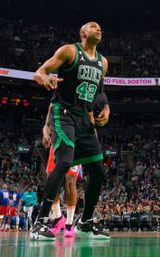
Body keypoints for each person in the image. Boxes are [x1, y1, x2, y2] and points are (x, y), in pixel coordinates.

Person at [30, 21, 111, 240]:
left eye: (100, 27)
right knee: (64, 162)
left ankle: (85, 222)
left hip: (85, 119)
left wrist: (106, 107)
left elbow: (100, 92)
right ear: (83, 33)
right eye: (94, 26)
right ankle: (41, 221)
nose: (98, 28)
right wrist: (44, 77)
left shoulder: (103, 62)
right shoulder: (69, 51)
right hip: (63, 113)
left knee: (97, 171)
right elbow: (39, 72)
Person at [43, 91, 109, 238]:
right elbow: (46, 125)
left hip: (77, 141)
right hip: (58, 140)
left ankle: (69, 223)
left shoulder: (86, 101)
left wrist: (94, 147)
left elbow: (95, 118)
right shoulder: (56, 101)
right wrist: (46, 135)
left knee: (70, 181)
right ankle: (58, 217)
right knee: (51, 178)